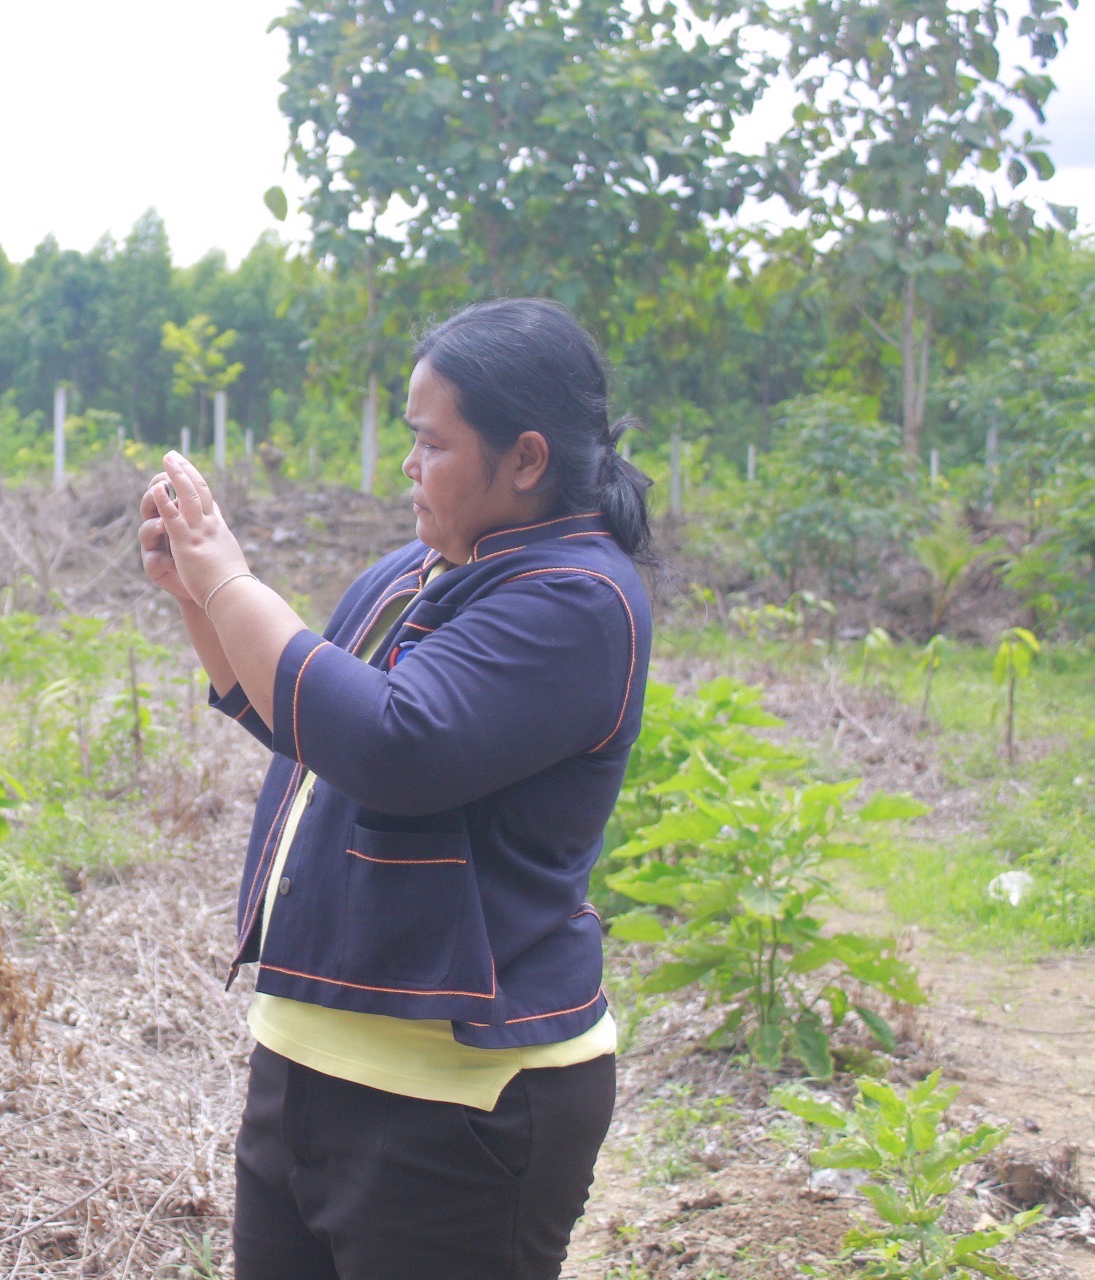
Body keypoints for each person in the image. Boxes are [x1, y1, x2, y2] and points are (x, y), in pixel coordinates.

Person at [136, 298, 655, 1280]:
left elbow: (392, 744)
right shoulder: (412, 573)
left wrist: (232, 572)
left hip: (463, 1101)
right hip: (304, 1066)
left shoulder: (580, 601)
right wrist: (201, 596)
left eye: (430, 443)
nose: (407, 466)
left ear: (529, 458)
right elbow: (309, 725)